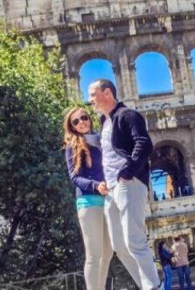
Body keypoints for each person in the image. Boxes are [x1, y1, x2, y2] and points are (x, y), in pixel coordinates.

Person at [88, 79, 161, 290]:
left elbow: (144, 142)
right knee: (119, 246)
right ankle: (146, 285)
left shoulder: (128, 115)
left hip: (128, 183)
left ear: (107, 93)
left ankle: (153, 287)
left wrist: (128, 172)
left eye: (93, 94)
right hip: (111, 190)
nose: (90, 100)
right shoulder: (105, 121)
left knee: (134, 240)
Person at [64, 107, 113, 290]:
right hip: (88, 202)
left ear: (89, 119)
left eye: (83, 118)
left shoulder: (101, 140)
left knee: (107, 253)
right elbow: (74, 177)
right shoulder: (72, 146)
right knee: (94, 254)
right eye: (75, 122)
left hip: (108, 200)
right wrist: (95, 185)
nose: (81, 123)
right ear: (72, 127)